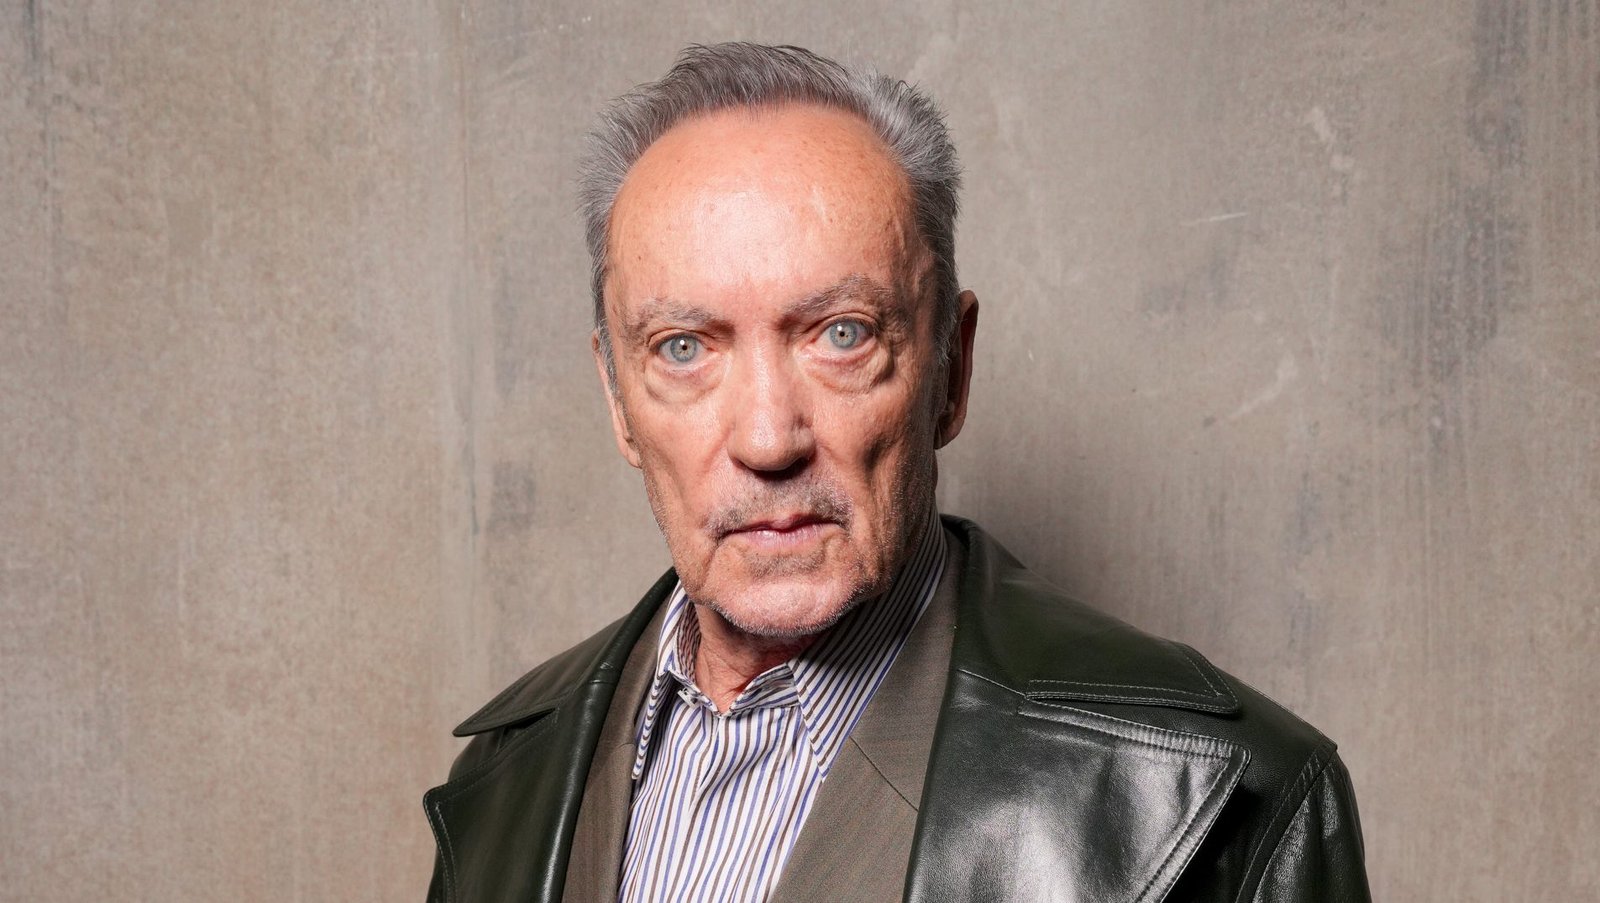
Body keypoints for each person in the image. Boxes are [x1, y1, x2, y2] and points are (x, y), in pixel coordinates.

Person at [423, 42, 1370, 903]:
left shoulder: (1238, 802)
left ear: (951, 369)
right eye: (683, 347)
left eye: (841, 334)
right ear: (617, 398)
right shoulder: (508, 776)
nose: (768, 438)